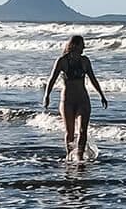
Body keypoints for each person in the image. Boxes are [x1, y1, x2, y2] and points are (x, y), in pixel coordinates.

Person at [42, 33, 107, 161]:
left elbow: (93, 79)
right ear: (75, 45)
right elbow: (52, 79)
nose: (84, 47)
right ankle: (69, 157)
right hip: (67, 101)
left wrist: (101, 95)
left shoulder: (85, 61)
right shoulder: (62, 61)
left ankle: (80, 157)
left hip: (83, 100)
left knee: (83, 131)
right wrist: (47, 96)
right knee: (70, 132)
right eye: (82, 44)